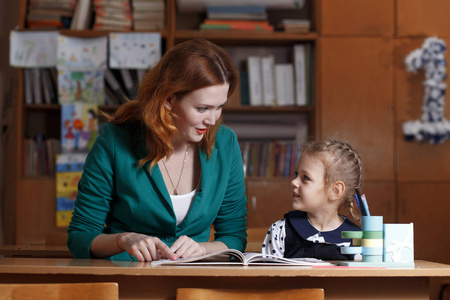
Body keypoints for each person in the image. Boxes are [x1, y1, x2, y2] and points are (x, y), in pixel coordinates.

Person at [67, 38, 247, 262]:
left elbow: (234, 236)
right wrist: (124, 239)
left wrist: (203, 249)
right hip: (128, 280)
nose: (212, 119)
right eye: (202, 108)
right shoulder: (114, 141)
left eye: (219, 107)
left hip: (195, 280)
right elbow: (80, 236)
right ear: (169, 99)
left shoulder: (226, 142)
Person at [262, 139, 363, 260]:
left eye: (305, 178)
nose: (293, 182)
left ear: (335, 190)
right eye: (296, 174)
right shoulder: (280, 231)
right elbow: (268, 276)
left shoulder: (358, 240)